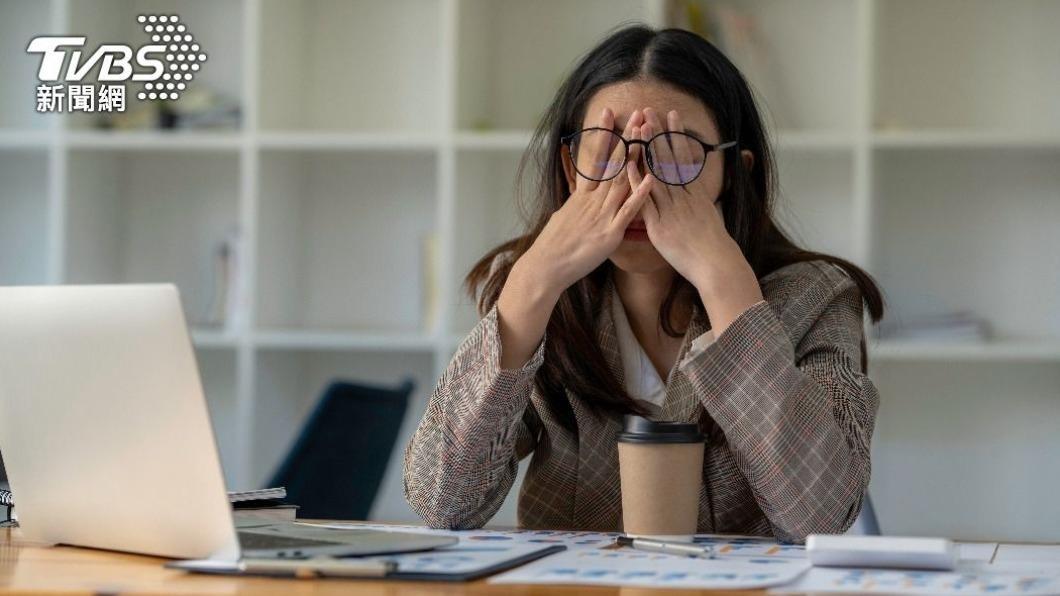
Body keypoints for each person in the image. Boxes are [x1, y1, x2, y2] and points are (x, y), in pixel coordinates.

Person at [403, 24, 884, 543]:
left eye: (675, 152)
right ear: (570, 168)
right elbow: (441, 501)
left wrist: (728, 288)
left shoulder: (817, 295)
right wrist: (531, 284)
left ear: (734, 173)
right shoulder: (534, 292)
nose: (636, 182)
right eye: (606, 149)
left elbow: (821, 516)